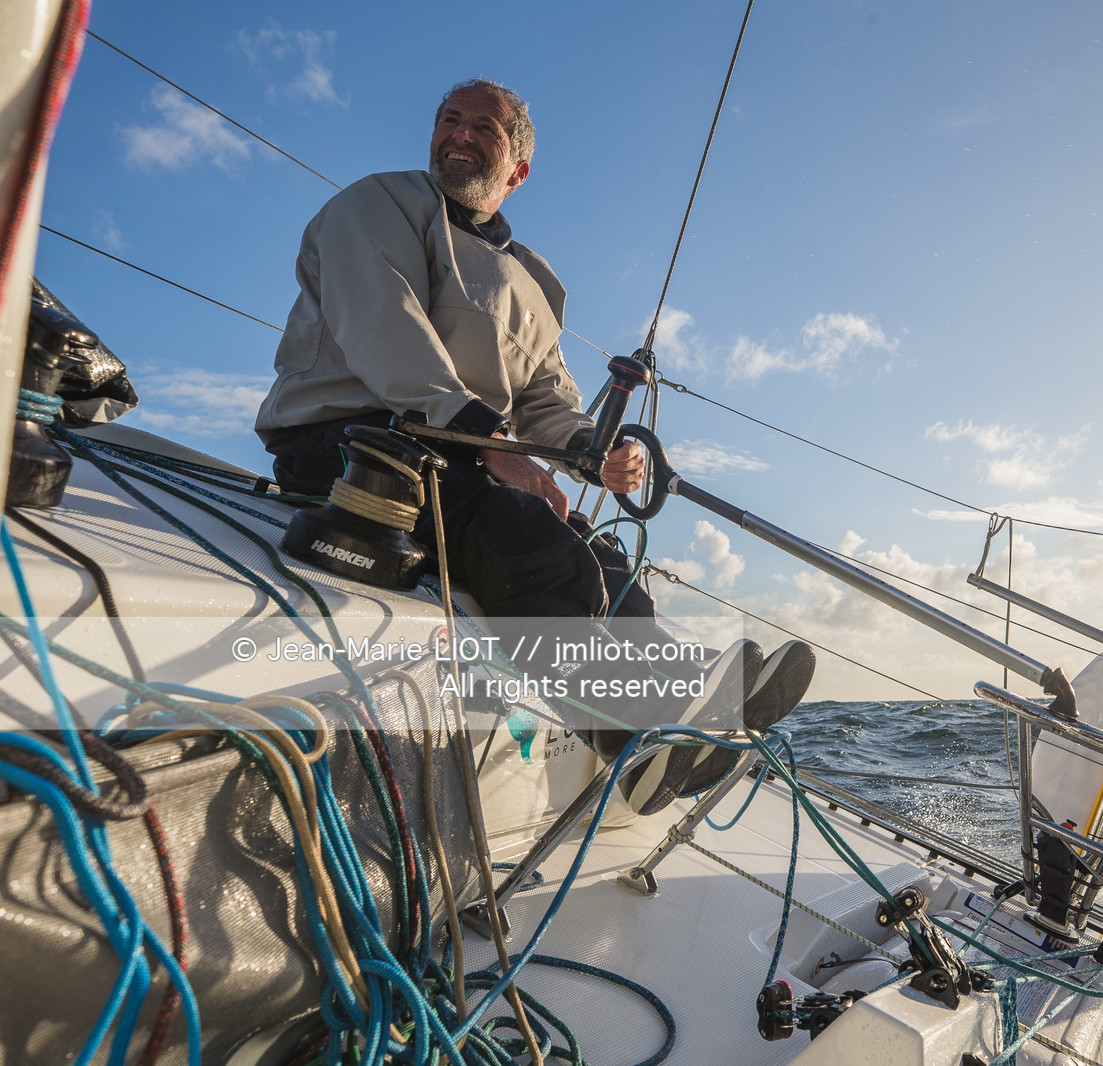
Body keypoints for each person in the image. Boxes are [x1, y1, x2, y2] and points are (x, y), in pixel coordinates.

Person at [255, 79, 812, 811]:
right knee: (526, 543)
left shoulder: (535, 283)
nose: (457, 134)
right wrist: (488, 442)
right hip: (350, 438)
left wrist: (594, 451)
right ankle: (632, 741)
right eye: (447, 119)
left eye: (482, 127)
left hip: (454, 445)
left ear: (517, 169)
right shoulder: (376, 205)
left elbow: (546, 397)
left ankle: (688, 719)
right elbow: (385, 330)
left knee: (600, 560)